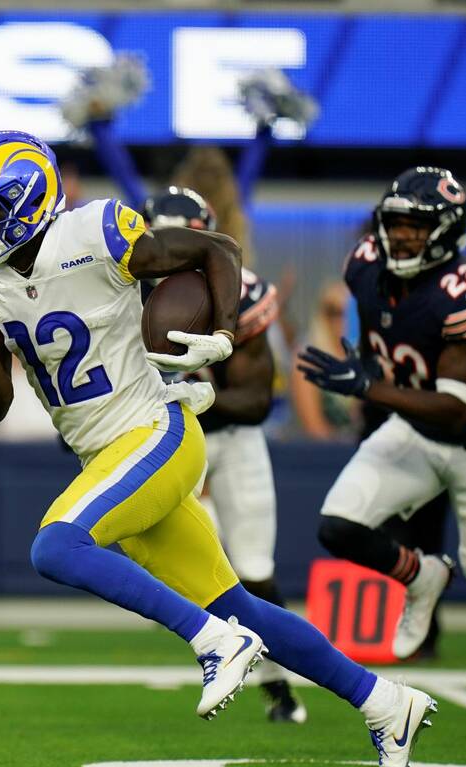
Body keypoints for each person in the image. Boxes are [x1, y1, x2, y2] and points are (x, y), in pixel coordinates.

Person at [0, 131, 435, 767]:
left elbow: (216, 249)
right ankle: (384, 702)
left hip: (155, 431)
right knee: (242, 607)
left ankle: (211, 642)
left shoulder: (96, 231)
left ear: (27, 200)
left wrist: (225, 331)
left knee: (55, 548)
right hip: (102, 454)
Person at [143, 187, 304, 723]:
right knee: (189, 566)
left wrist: (198, 396)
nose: (171, 255)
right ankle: (220, 652)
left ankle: (281, 689)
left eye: (184, 241)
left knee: (255, 569)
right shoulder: (118, 292)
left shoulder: (241, 292)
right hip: (163, 439)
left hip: (229, 442)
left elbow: (257, 400)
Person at [300, 166, 466, 662]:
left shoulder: (460, 293)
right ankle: (422, 575)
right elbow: (388, 327)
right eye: (395, 223)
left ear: (448, 229)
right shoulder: (365, 266)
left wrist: (370, 386)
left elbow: (457, 408)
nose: (400, 236)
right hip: (413, 429)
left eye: (415, 226)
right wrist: (372, 370)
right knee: (339, 525)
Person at [289, 282, 361, 441]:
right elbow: (314, 428)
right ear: (323, 316)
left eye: (350, 312)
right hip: (325, 456)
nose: (342, 320)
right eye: (334, 312)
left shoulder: (367, 359)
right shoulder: (308, 361)